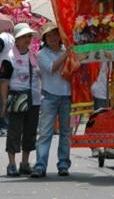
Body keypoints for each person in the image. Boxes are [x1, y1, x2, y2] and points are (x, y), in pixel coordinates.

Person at [31, 22, 72, 178]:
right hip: (49, 96)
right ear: (45, 39)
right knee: (45, 133)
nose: (52, 37)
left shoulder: (65, 50)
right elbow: (52, 68)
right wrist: (66, 54)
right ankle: (40, 165)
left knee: (65, 133)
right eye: (49, 35)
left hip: (66, 96)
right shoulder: (42, 54)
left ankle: (63, 165)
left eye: (55, 34)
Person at [0, 22, 41, 177]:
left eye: (29, 36)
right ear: (16, 39)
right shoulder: (8, 58)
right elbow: (4, 81)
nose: (27, 39)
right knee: (14, 132)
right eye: (23, 37)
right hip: (16, 97)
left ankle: (25, 163)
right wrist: (4, 103)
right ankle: (11, 164)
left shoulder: (33, 55)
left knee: (30, 132)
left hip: (34, 98)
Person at [0, 14, 14, 136]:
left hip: (3, 68)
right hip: (9, 66)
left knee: (2, 98)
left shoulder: (2, 37)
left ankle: (4, 126)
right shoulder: (11, 36)